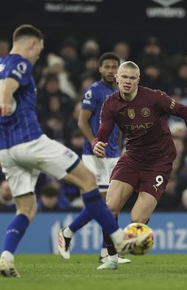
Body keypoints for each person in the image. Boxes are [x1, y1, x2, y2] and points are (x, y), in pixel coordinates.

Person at [0, 24, 150, 278]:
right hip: (31, 142)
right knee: (88, 180)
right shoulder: (20, 63)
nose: (38, 56)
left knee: (26, 209)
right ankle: (117, 239)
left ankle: (6, 256)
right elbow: (8, 86)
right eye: (39, 50)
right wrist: (4, 99)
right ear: (32, 44)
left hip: (6, 151)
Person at [58, 61, 187, 270]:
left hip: (159, 161)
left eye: (132, 78)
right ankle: (110, 258)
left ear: (138, 80)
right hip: (132, 157)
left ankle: (125, 242)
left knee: (137, 219)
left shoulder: (154, 97)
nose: (128, 81)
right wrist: (97, 143)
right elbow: (103, 132)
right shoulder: (110, 104)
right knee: (110, 207)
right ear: (117, 78)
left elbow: (185, 112)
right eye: (124, 77)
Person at [76, 52, 129, 264]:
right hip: (94, 155)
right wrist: (94, 142)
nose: (110, 70)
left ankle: (107, 252)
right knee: (106, 203)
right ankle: (70, 232)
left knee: (113, 203)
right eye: (106, 67)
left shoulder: (119, 93)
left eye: (114, 67)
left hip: (113, 154)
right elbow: (82, 121)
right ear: (100, 69)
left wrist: (122, 147)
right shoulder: (95, 91)